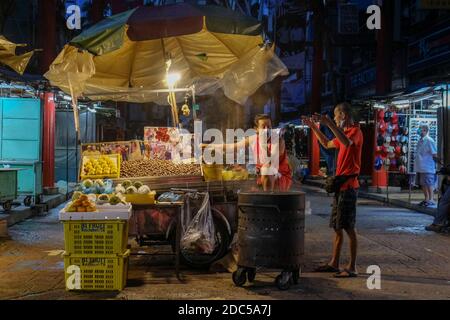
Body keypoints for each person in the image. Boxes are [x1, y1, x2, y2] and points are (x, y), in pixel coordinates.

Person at [302, 102, 363, 278]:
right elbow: (327, 143)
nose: (335, 120)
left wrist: (329, 124)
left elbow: (346, 142)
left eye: (336, 117)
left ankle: (352, 267)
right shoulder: (344, 132)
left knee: (349, 228)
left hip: (349, 187)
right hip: (340, 186)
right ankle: (334, 263)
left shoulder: (356, 132)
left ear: (343, 115)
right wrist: (313, 127)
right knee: (337, 226)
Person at [202, 114, 292, 192]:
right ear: (256, 129)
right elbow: (232, 146)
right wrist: (209, 146)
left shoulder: (278, 140)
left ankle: (268, 197)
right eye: (263, 126)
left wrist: (264, 145)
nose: (266, 129)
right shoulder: (253, 139)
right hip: (262, 175)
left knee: (266, 168)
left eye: (269, 126)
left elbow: (272, 161)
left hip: (280, 175)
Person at [414, 124, 438, 207]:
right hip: (420, 167)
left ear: (425, 131)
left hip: (427, 167)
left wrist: (436, 165)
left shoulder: (429, 140)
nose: (419, 130)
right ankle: (426, 199)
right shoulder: (420, 140)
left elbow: (434, 153)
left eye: (420, 129)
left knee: (429, 183)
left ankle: (431, 199)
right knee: (423, 184)